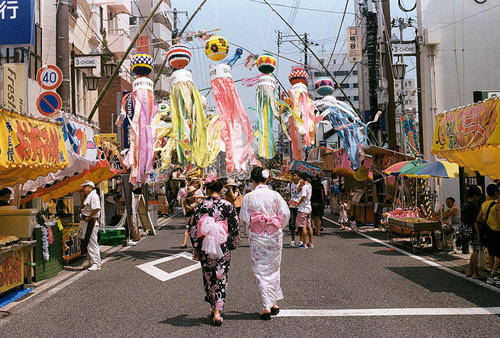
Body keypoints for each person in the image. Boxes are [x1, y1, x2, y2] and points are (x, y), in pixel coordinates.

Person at [240, 166, 290, 320]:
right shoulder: (275, 195)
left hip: (257, 236)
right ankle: (273, 302)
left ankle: (266, 306)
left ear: (252, 180)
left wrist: (252, 227)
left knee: (260, 270)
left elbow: (244, 218)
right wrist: (276, 226)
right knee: (274, 267)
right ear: (267, 179)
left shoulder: (249, 197)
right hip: (274, 235)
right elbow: (285, 213)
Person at [189, 179, 239, 326]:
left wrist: (196, 245)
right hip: (222, 245)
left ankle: (212, 305)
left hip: (205, 245)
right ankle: (218, 310)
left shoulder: (200, 206)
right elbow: (235, 226)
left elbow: (192, 227)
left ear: (208, 191)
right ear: (221, 190)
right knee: (221, 276)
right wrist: (232, 243)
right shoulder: (228, 206)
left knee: (209, 276)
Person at [477, 184, 500, 286]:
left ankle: (492, 275)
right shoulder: (497, 205)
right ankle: (492, 275)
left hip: (489, 231)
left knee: (491, 254)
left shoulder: (484, 204)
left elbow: (479, 218)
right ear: (495, 192)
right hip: (497, 231)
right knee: (499, 256)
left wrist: (488, 221)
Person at [79, 180, 101, 271]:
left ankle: (96, 263)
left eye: (85, 187)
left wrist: (89, 217)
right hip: (87, 222)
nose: (83, 189)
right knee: (88, 243)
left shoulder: (94, 196)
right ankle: (91, 262)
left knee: (92, 243)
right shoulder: (89, 196)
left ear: (90, 187)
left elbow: (96, 208)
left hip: (91, 222)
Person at [461, 186, 482, 278]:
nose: (478, 198)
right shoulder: (473, 206)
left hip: (466, 230)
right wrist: (478, 234)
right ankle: (475, 272)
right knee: (476, 252)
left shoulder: (465, 205)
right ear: (474, 195)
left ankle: (470, 271)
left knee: (473, 251)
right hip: (473, 230)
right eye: (478, 196)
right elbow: (475, 222)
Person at [296, 173, 313, 248]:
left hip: (303, 208)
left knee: (303, 226)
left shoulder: (305, 187)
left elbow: (303, 197)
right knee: (309, 226)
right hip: (309, 208)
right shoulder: (309, 185)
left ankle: (304, 243)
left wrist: (297, 204)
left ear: (302, 179)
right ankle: (311, 243)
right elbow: (298, 190)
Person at [287, 172, 302, 246]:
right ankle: (293, 240)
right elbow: (288, 193)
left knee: (301, 225)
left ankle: (301, 241)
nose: (294, 176)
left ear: (298, 176)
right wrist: (287, 203)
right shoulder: (290, 184)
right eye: (293, 175)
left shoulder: (302, 184)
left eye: (295, 175)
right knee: (291, 224)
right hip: (292, 206)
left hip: (300, 207)